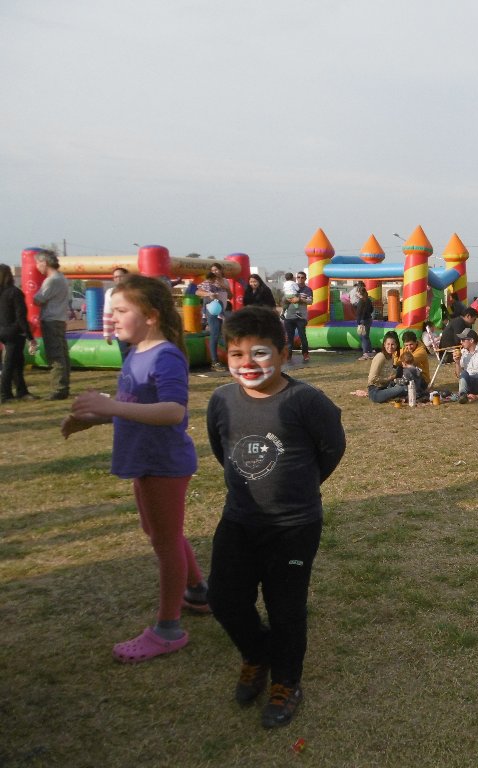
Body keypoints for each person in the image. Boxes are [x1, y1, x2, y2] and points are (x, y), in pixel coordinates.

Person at [204, 306, 345, 728]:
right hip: (239, 519)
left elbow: (331, 448)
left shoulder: (306, 401)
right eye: (236, 355)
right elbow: (220, 447)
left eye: (259, 353)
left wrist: (303, 485)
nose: (247, 364)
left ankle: (286, 681)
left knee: (286, 609)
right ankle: (257, 654)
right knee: (224, 598)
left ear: (284, 353)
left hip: (294, 527)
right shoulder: (222, 400)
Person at [60, 275, 208, 663]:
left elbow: (174, 411)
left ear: (152, 315)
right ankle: (198, 591)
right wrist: (94, 418)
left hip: (164, 463)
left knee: (165, 541)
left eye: (121, 311)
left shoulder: (165, 355)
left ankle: (168, 629)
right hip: (144, 459)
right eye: (111, 312)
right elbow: (134, 407)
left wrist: (111, 407)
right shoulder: (135, 353)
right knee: (161, 533)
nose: (112, 319)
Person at [32, 249, 71, 399]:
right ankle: (64, 386)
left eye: (38, 263)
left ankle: (58, 389)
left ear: (44, 262)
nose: (37, 266)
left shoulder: (51, 280)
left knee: (55, 355)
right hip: (60, 319)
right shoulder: (61, 278)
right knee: (62, 354)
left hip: (51, 320)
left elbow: (38, 299)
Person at [0, 263, 38, 402]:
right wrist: (30, 336)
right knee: (10, 364)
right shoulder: (14, 293)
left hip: (3, 331)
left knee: (16, 362)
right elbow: (21, 316)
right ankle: (5, 394)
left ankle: (22, 391)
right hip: (14, 332)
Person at [196, 263, 231, 372]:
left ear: (221, 270)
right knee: (215, 333)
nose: (215, 271)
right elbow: (198, 291)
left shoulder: (225, 281)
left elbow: (230, 296)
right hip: (213, 309)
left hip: (222, 310)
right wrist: (209, 294)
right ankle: (214, 362)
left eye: (216, 269)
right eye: (213, 270)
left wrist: (226, 288)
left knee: (224, 333)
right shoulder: (209, 281)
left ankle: (228, 357)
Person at [280, 271, 313, 364]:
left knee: (302, 335)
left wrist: (299, 299)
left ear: (305, 279)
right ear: (295, 278)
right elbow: (283, 300)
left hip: (301, 317)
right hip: (289, 316)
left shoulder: (307, 289)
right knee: (289, 337)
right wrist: (287, 299)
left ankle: (305, 354)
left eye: (302, 277)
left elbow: (310, 301)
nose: (300, 279)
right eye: (298, 277)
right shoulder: (289, 287)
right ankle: (288, 355)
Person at [366, 333, 407, 403]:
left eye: (392, 344)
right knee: (403, 389)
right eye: (388, 344)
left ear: (396, 345)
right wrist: (388, 379)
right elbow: (372, 378)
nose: (390, 347)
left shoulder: (391, 356)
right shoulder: (380, 357)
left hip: (386, 387)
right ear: (384, 344)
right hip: (376, 391)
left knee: (406, 383)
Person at [101, 267, 132, 361]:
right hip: (121, 331)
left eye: (120, 276)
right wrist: (107, 333)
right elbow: (107, 313)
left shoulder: (134, 291)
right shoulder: (110, 293)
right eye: (115, 277)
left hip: (135, 329)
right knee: (125, 357)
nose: (118, 279)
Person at [354, 285, 375, 360]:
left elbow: (358, 313)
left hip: (362, 321)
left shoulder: (361, 301)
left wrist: (358, 322)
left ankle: (365, 353)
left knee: (363, 338)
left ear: (359, 293)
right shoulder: (368, 300)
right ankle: (370, 352)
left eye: (357, 292)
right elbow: (372, 309)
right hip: (369, 319)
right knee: (366, 337)